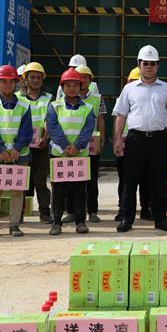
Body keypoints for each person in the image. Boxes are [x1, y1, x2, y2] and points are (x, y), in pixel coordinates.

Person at [113, 45, 167, 233]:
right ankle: (127, 218)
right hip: (135, 139)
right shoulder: (129, 89)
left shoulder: (166, 89)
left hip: (159, 139)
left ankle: (160, 219)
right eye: (145, 63)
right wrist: (117, 140)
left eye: (152, 63)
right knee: (130, 180)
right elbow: (121, 115)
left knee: (159, 181)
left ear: (157, 65)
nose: (149, 67)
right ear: (139, 64)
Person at [0, 65, 34, 238]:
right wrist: (1, 149)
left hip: (20, 153)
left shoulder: (25, 105)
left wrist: (17, 148)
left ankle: (14, 225)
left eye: (11, 81)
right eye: (4, 81)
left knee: (17, 191)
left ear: (16, 83)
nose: (8, 85)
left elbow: (27, 131)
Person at [46, 68, 96, 235]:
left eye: (75, 85)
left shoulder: (88, 108)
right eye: (68, 85)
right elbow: (53, 128)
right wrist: (66, 146)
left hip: (80, 156)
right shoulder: (54, 106)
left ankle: (81, 222)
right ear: (62, 87)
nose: (72, 88)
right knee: (58, 191)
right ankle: (56, 222)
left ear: (81, 87)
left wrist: (77, 146)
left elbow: (88, 129)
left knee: (80, 191)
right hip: (59, 155)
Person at [64, 65, 106, 224]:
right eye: (80, 77)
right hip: (71, 145)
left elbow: (100, 119)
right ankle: (71, 211)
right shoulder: (66, 99)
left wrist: (102, 138)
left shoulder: (97, 98)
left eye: (86, 77)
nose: (83, 80)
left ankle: (92, 211)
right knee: (70, 178)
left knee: (91, 179)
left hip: (90, 144)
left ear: (90, 80)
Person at [114, 68, 152, 221]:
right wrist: (117, 140)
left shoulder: (148, 96)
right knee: (125, 179)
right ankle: (123, 209)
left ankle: (145, 208)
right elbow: (117, 119)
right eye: (133, 80)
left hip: (141, 142)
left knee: (146, 178)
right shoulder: (124, 96)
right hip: (125, 143)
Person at [17, 62, 53, 223]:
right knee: (21, 181)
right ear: (25, 79)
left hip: (41, 145)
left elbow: (49, 119)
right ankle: (18, 213)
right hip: (21, 147)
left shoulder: (49, 98)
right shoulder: (17, 98)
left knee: (40, 181)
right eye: (32, 77)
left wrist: (45, 138)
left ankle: (44, 213)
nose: (36, 80)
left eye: (39, 77)